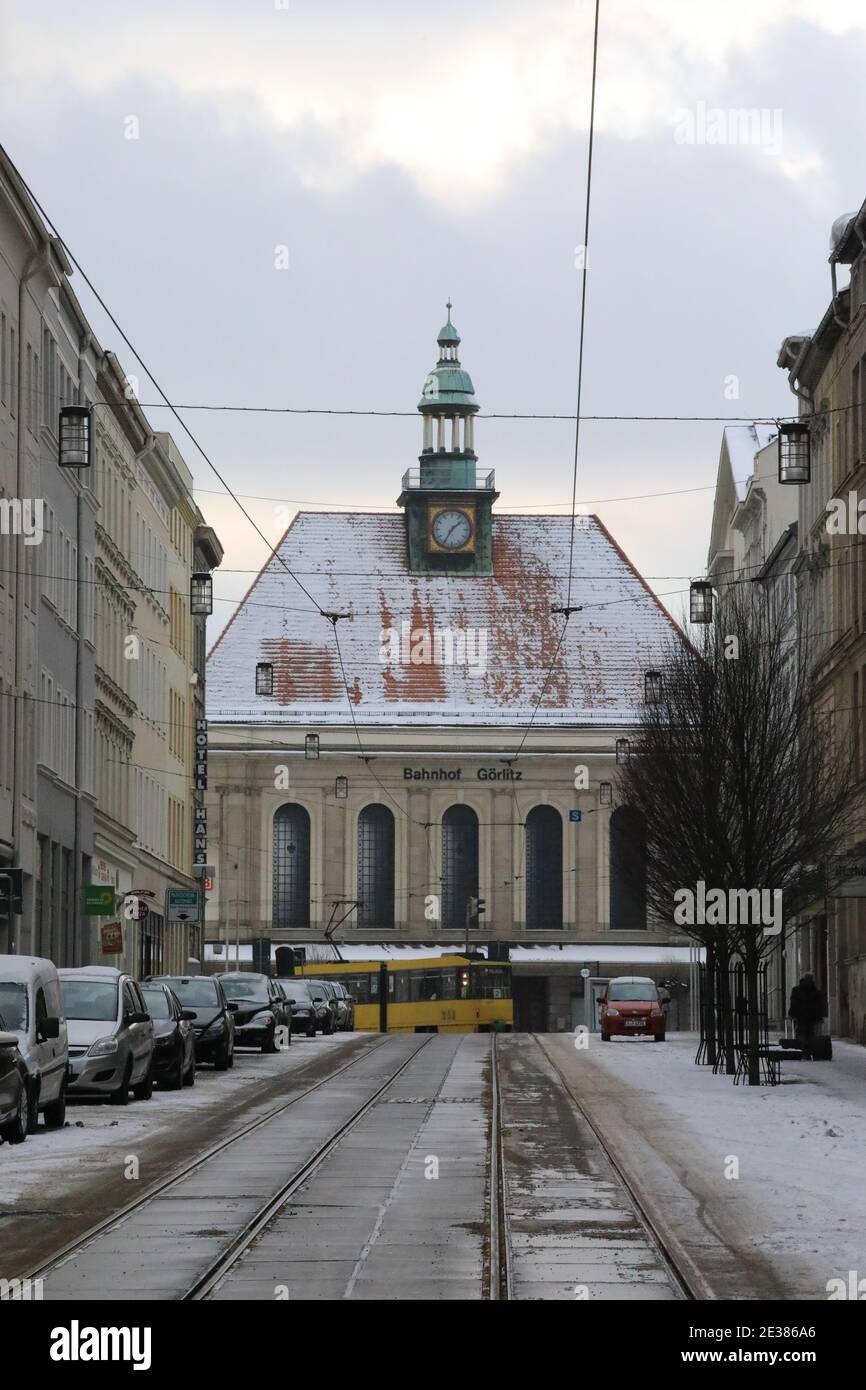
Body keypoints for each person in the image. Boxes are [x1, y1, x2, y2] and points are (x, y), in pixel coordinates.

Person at [788, 973, 826, 1044]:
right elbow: (819, 1005)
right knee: (809, 1034)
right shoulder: (816, 992)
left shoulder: (796, 990)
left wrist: (791, 1013)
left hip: (802, 1016)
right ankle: (807, 1049)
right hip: (810, 1017)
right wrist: (819, 1017)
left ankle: (804, 1049)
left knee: (802, 1034)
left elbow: (793, 1003)